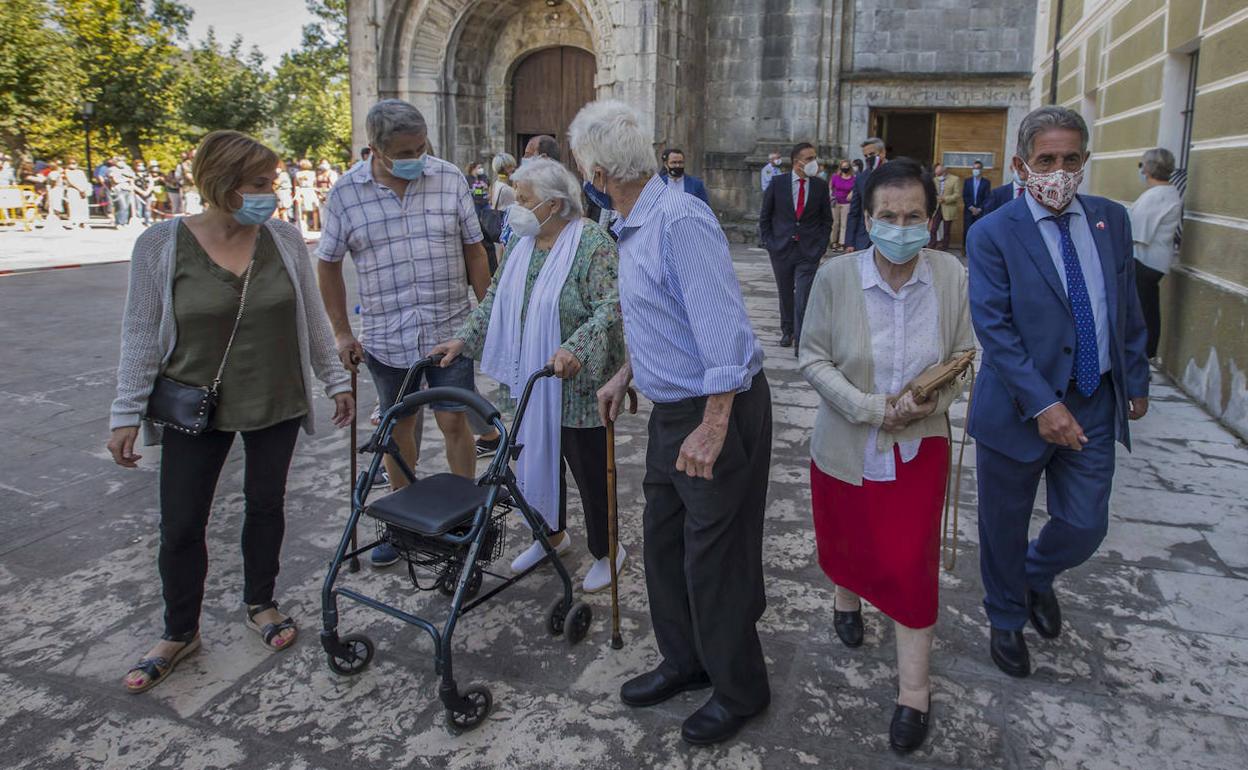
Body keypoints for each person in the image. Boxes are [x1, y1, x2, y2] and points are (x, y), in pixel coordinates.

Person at [107, 129, 354, 694]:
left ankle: (260, 602)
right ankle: (178, 631)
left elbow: (313, 318)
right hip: (194, 404)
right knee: (182, 523)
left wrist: (334, 379)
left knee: (265, 506)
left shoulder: (285, 239)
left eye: (274, 182)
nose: (275, 194)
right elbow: (140, 333)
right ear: (222, 185)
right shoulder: (161, 244)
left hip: (276, 399)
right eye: (262, 184)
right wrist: (125, 412)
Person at [572, 99, 773, 746]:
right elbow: (666, 317)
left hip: (717, 408)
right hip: (672, 411)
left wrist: (713, 427)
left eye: (584, 171)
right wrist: (628, 372)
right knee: (662, 544)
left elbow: (726, 337)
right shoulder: (634, 222)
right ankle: (686, 660)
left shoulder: (680, 220)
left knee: (716, 557)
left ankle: (740, 688)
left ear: (599, 174)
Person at [967, 106, 1150, 680]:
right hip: (1019, 407)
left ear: (1085, 162)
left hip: (1094, 396)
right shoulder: (992, 232)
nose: (1060, 170)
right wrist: (1043, 404)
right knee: (1003, 523)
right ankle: (1004, 615)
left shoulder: (1111, 221)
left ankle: (1035, 575)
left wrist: (1136, 378)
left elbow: (1126, 308)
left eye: (1071, 159)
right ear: (1022, 165)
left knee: (1085, 524)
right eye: (1046, 159)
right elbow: (994, 328)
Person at [801, 157, 974, 753]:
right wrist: (874, 408)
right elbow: (813, 358)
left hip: (918, 450)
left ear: (931, 220)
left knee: (909, 563)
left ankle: (914, 693)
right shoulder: (834, 278)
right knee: (847, 539)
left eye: (913, 216)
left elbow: (963, 354)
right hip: (846, 443)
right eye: (887, 216)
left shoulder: (950, 277)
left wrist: (927, 404)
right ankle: (846, 596)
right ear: (866, 219)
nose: (900, 226)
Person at [432, 158, 626, 589]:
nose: (514, 207)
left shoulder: (592, 242)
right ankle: (549, 535)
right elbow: (494, 298)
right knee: (533, 465)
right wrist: (461, 340)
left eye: (523, 199)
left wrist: (575, 347)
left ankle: (608, 550)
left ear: (554, 205)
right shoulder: (523, 243)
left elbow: (612, 307)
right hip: (528, 381)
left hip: (577, 385)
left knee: (590, 472)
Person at [317, 99, 492, 568]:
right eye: (405, 151)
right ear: (375, 149)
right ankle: (403, 520)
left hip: (449, 328)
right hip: (386, 336)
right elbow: (328, 264)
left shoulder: (449, 178)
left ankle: (464, 515)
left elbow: (476, 251)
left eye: (422, 146)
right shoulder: (345, 194)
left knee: (455, 420)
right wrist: (340, 333)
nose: (418, 155)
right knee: (399, 428)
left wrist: (486, 314)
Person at [759, 142, 833, 351]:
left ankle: (801, 339)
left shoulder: (819, 186)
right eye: (809, 159)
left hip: (808, 251)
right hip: (781, 248)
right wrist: (769, 242)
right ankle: (787, 330)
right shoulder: (777, 183)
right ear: (796, 162)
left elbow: (826, 220)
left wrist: (821, 246)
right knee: (785, 292)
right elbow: (765, 216)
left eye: (814, 158)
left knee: (803, 295)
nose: (814, 162)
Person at [1131, 148, 1183, 361]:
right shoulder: (1167, 193)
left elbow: (1137, 232)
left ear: (1149, 168)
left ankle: (1143, 357)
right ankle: (1144, 355)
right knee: (1147, 308)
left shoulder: (1156, 196)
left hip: (1146, 260)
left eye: (1141, 164)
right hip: (1154, 260)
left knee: (1143, 312)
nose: (1140, 169)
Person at [844, 137, 887, 251]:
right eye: (866, 156)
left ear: (882, 153)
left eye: (872, 154)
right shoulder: (861, 178)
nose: (869, 158)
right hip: (864, 240)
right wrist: (850, 242)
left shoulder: (897, 174)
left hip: (889, 238)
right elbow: (854, 211)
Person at [928, 163, 961, 250]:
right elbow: (932, 192)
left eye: (939, 172)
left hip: (948, 207)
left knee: (946, 230)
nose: (937, 174)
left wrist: (945, 199)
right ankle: (932, 245)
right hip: (937, 208)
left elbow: (957, 194)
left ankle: (944, 247)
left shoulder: (955, 179)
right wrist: (936, 198)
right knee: (933, 228)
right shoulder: (935, 180)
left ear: (944, 170)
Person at [830, 160, 855, 250]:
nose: (845, 168)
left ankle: (842, 243)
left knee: (844, 224)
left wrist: (851, 193)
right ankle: (833, 242)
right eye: (843, 167)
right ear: (840, 168)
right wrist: (831, 196)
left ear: (849, 168)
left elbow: (855, 188)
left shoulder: (853, 178)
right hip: (835, 202)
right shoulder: (835, 177)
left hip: (847, 203)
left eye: (846, 166)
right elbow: (830, 188)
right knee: (835, 223)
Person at [962, 160, 990, 233]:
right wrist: (971, 208)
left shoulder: (986, 182)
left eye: (977, 168)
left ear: (981, 170)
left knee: (979, 231)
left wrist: (979, 209)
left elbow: (987, 197)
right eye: (974, 168)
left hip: (980, 211)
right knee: (967, 230)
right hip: (969, 211)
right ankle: (966, 245)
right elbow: (965, 195)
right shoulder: (967, 181)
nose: (975, 170)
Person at [64, 158, 90, 228]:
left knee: (83, 206)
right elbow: (70, 182)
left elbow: (85, 181)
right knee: (73, 206)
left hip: (82, 191)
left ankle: (83, 222)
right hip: (73, 191)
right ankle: (73, 222)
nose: (72, 165)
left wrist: (84, 190)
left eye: (74, 163)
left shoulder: (80, 172)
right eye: (70, 163)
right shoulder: (67, 171)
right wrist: (79, 189)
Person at [295, 159, 318, 230]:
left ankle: (305, 226)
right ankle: (315, 226)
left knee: (304, 210)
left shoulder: (298, 173)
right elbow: (315, 183)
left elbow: (297, 184)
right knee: (314, 209)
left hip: (303, 190)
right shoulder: (313, 173)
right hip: (311, 190)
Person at [133, 161, 153, 226]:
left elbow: (151, 183)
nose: (141, 167)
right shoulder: (133, 175)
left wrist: (147, 191)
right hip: (138, 194)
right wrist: (141, 192)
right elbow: (132, 184)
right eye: (139, 165)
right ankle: (139, 221)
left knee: (148, 208)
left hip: (148, 193)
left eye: (142, 165)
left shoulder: (147, 174)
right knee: (138, 208)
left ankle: (147, 221)